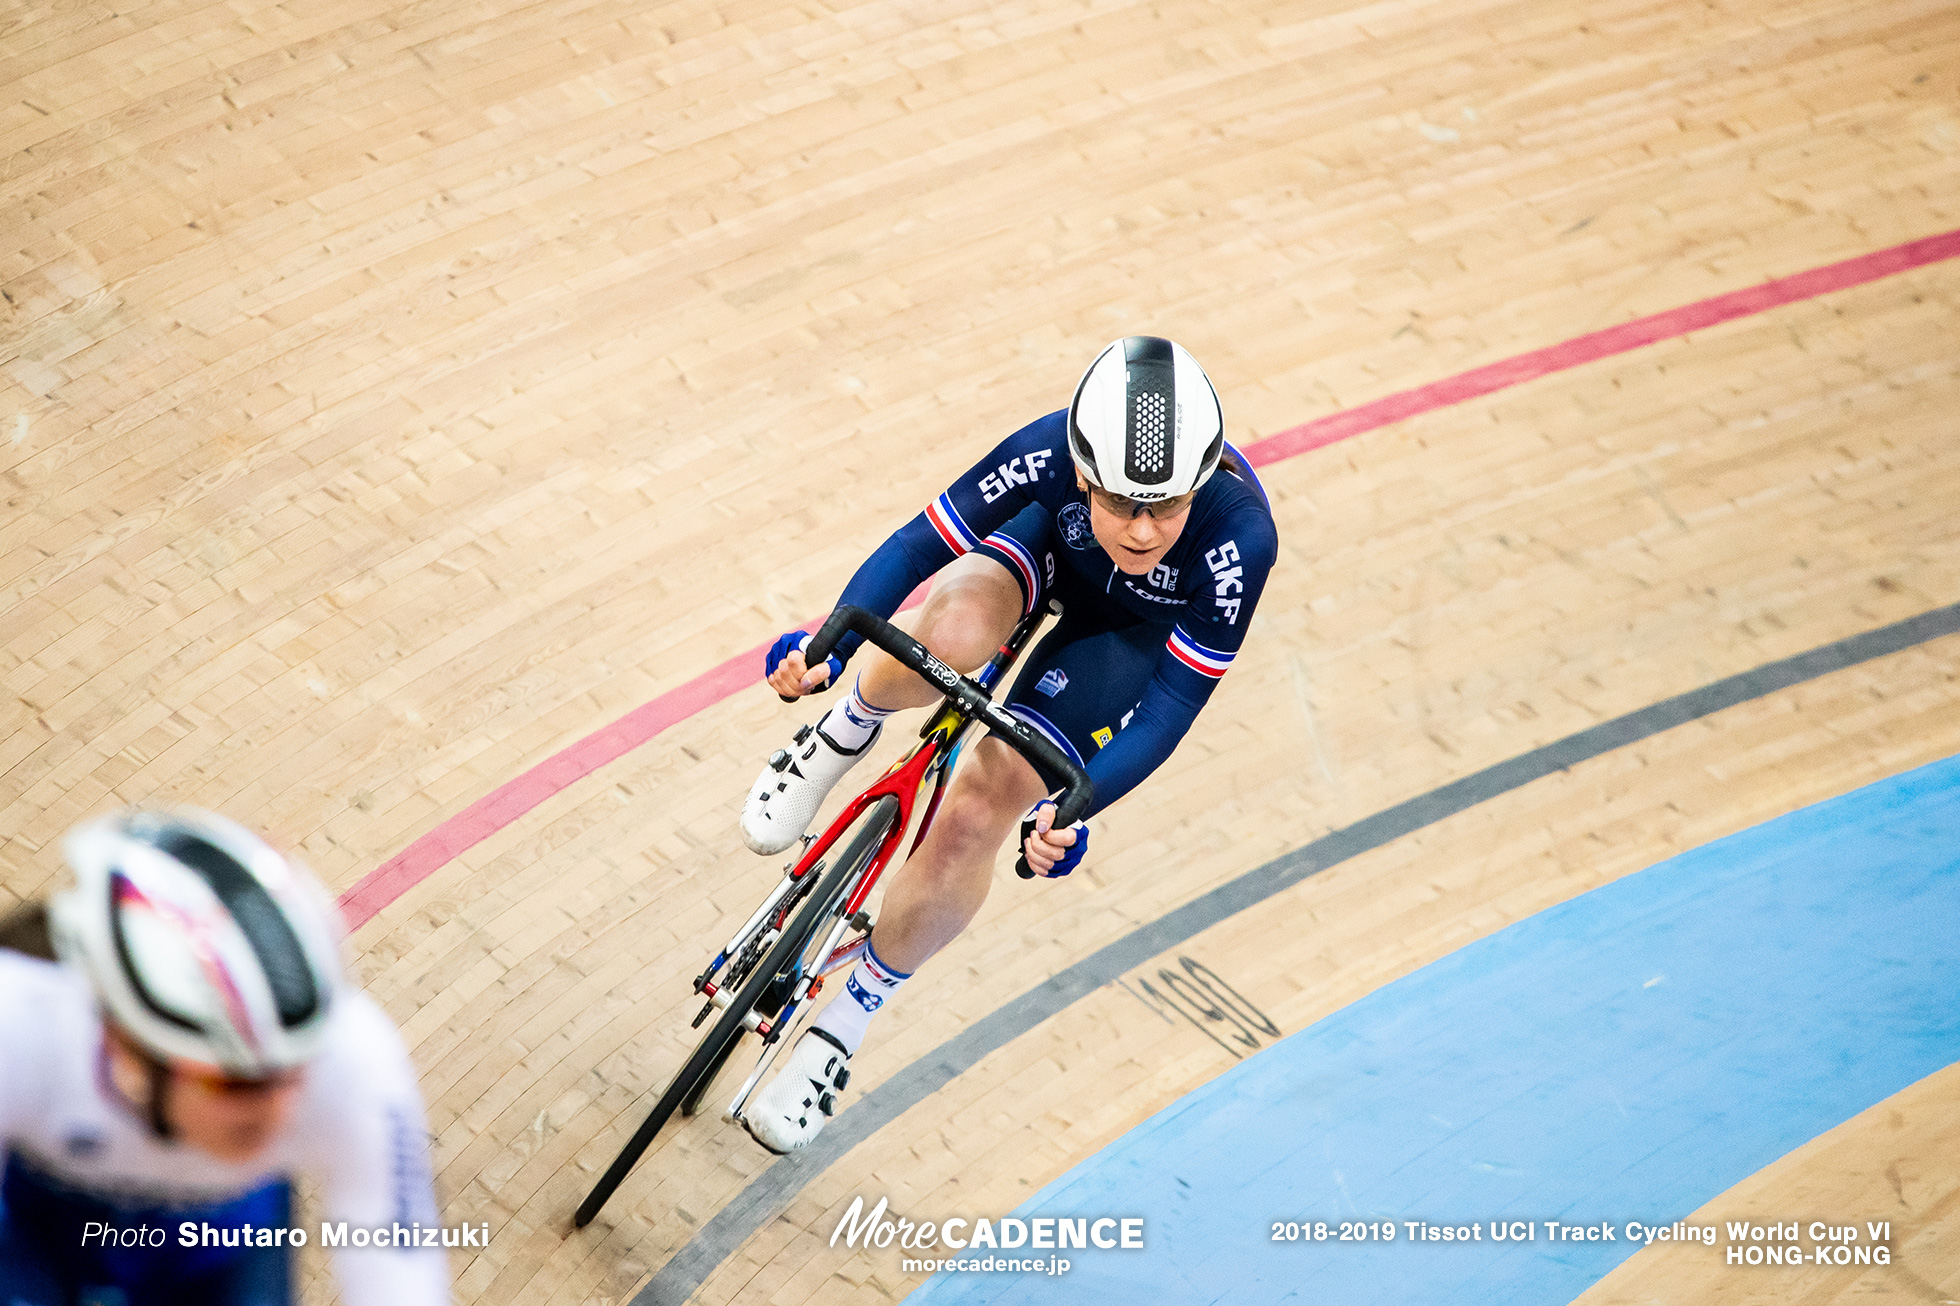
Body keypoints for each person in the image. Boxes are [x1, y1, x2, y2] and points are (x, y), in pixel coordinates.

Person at [739, 336, 1277, 1153]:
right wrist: (828, 649)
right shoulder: (1043, 454)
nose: (1140, 530)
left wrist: (1076, 802)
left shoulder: (1239, 542)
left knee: (982, 806)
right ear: (1083, 471)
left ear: (1201, 485)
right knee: (950, 633)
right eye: (1120, 502)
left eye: (1165, 507)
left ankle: (838, 1032)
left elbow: (1170, 707)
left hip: (1125, 635)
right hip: (1047, 554)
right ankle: (834, 739)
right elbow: (920, 547)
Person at [0, 807, 450, 1306]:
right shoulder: (19, 1026)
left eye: (292, 1075)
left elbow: (397, 1257)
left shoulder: (351, 1054)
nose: (277, 1109)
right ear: (124, 1043)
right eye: (233, 1083)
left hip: (220, 1239)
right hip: (39, 1226)